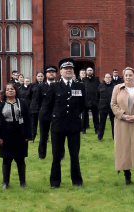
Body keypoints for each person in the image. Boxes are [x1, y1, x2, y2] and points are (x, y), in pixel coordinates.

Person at [40, 58, 85, 188]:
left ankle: (77, 181)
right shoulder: (54, 86)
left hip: (74, 125)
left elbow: (82, 105)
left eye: (71, 68)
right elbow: (48, 106)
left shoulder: (80, 86)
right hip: (58, 126)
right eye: (66, 69)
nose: (69, 70)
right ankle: (55, 182)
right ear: (61, 71)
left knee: (74, 155)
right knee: (56, 156)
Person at [0, 82, 32, 189]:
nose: (10, 91)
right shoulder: (0, 104)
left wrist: (28, 135)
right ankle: (5, 182)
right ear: (5, 92)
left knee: (20, 160)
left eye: (12, 89)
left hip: (20, 135)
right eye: (8, 89)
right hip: (6, 135)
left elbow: (28, 120)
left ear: (16, 91)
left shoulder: (23, 103)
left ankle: (22, 182)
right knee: (7, 160)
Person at [37, 67, 57, 159]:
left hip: (57, 114)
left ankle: (59, 155)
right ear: (46, 75)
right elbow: (38, 100)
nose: (51, 74)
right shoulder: (41, 86)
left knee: (57, 137)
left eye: (53, 72)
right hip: (44, 114)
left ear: (56, 74)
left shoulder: (59, 86)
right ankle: (42, 155)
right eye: (49, 72)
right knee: (43, 136)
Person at [98, 73, 116, 141]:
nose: (108, 79)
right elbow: (98, 95)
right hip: (103, 107)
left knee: (114, 123)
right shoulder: (101, 86)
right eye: (106, 77)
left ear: (111, 79)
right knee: (102, 123)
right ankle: (100, 137)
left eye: (109, 77)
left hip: (112, 108)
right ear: (104, 78)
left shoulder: (114, 86)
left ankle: (115, 137)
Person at [82, 67, 100, 135]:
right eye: (88, 70)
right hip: (85, 101)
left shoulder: (96, 80)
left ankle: (97, 130)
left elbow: (99, 91)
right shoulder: (84, 80)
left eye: (91, 70)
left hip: (94, 101)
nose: (89, 71)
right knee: (84, 117)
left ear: (93, 71)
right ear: (86, 72)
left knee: (96, 117)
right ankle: (83, 129)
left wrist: (98, 100)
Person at [28, 72, 44, 142]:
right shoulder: (32, 85)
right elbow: (28, 95)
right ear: (36, 77)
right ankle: (32, 137)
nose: (40, 77)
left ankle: (44, 138)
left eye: (41, 76)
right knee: (33, 123)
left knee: (43, 123)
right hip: (34, 107)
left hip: (43, 107)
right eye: (38, 76)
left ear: (43, 77)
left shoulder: (45, 85)